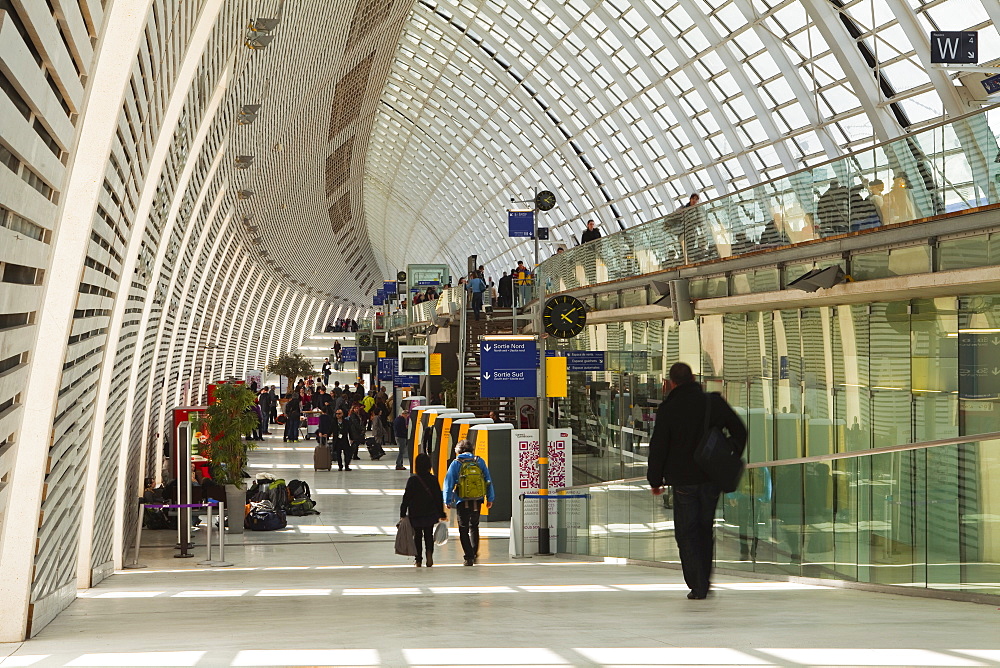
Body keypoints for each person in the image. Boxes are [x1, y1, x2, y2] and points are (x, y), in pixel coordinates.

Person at [646, 362, 747, 600]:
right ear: (693, 378)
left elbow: (658, 446)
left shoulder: (669, 408)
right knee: (704, 528)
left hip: (683, 481)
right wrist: (728, 454)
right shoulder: (712, 403)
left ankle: (697, 583)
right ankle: (705, 580)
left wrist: (655, 480)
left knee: (686, 532)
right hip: (711, 478)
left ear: (671, 383)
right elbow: (740, 431)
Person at [443, 439, 495, 566]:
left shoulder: (456, 463)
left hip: (462, 500)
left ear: (458, 451)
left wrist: (447, 500)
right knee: (474, 526)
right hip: (478, 499)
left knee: (463, 528)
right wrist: (490, 498)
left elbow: (448, 483)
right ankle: (474, 552)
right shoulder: (479, 461)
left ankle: (469, 557)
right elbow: (488, 480)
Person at [400, 453, 447, 567]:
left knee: (417, 535)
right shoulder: (433, 479)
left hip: (415, 513)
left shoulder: (413, 480)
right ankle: (429, 553)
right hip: (430, 512)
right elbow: (438, 497)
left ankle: (418, 559)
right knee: (428, 535)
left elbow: (406, 497)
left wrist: (402, 513)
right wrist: (441, 513)